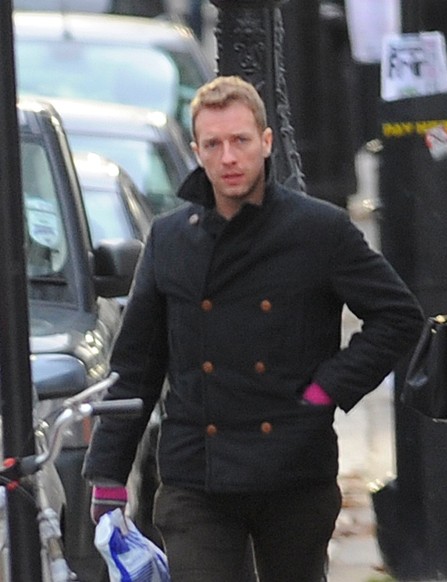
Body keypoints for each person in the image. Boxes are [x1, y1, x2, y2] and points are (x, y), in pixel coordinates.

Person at [83, 75, 424, 582]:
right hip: (196, 470)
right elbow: (136, 364)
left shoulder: (318, 230)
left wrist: (325, 390)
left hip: (293, 465)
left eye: (240, 140)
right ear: (196, 152)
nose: (228, 157)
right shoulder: (171, 238)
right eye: (213, 144)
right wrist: (109, 472)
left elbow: (398, 315)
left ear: (266, 142)